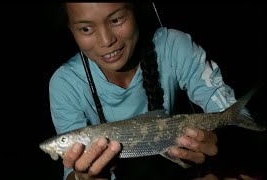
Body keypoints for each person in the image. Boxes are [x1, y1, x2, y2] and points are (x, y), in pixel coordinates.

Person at [48, 2, 261, 180]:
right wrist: (84, 177)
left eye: (116, 20)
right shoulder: (65, 83)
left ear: (136, 11)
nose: (106, 41)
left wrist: (223, 151)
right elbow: (71, 172)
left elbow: (234, 118)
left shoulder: (174, 45)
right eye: (86, 29)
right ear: (71, 30)